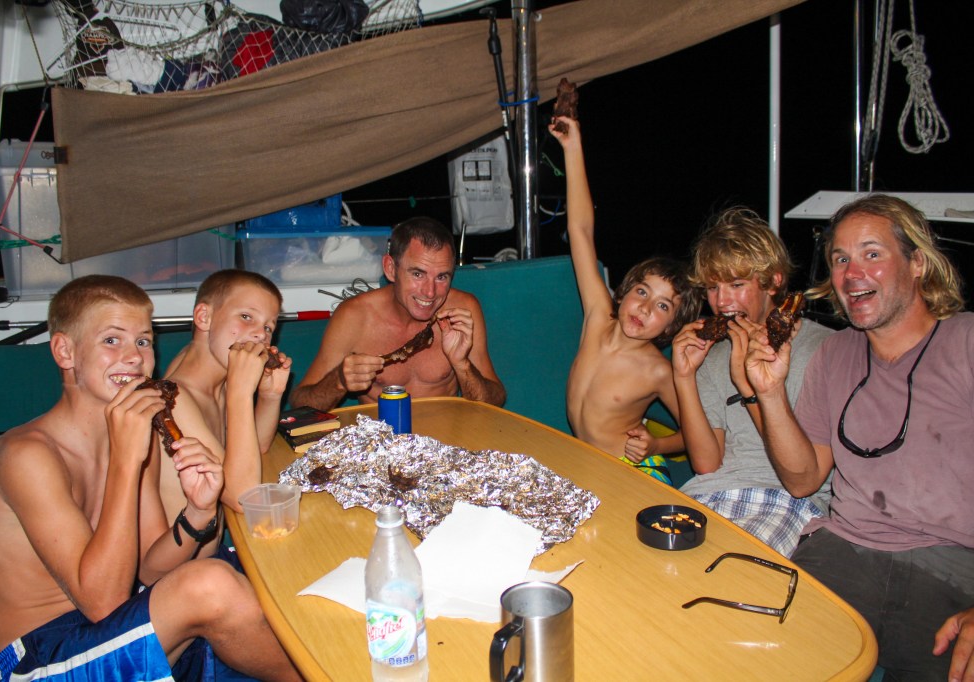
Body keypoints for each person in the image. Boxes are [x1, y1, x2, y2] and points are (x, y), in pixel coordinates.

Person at [0, 275, 299, 680]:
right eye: (112, 340)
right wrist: (126, 462)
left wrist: (197, 512)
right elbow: (102, 604)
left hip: (122, 623)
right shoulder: (27, 456)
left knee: (271, 569)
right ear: (65, 351)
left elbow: (152, 572)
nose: (133, 357)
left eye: (143, 341)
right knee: (210, 585)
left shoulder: (136, 427)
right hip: (42, 655)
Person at [745, 194, 973, 680]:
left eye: (872, 253)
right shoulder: (834, 355)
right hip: (842, 552)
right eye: (841, 259)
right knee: (758, 662)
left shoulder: (966, 341)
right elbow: (804, 479)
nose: (853, 273)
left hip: (955, 567)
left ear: (917, 263)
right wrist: (769, 392)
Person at [670, 207, 832, 556]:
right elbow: (706, 464)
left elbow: (804, 481)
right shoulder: (713, 357)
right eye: (712, 287)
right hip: (708, 492)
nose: (721, 301)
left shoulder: (825, 350)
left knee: (732, 569)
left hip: (784, 499)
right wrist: (683, 376)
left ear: (773, 282)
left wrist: (749, 387)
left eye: (736, 285)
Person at [549, 115, 701, 485]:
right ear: (624, 292)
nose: (646, 308)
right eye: (642, 292)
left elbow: (699, 436)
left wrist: (656, 445)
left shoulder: (658, 371)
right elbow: (580, 230)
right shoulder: (597, 317)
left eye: (663, 306)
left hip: (634, 473)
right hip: (586, 465)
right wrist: (572, 147)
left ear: (671, 326)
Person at [291, 216, 505, 411]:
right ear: (391, 269)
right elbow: (301, 404)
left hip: (444, 437)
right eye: (418, 274)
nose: (430, 292)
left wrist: (462, 365)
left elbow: (496, 399)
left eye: (441, 277)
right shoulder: (355, 316)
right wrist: (338, 381)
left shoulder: (462, 311)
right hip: (379, 438)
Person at [164, 269, 290, 515]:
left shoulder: (217, 373)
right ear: (204, 317)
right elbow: (244, 498)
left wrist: (270, 396)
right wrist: (240, 393)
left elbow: (257, 446)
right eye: (246, 316)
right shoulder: (175, 398)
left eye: (268, 327)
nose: (260, 334)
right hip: (187, 540)